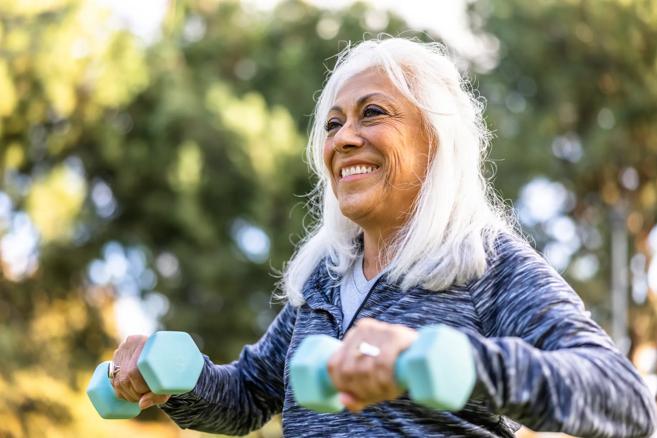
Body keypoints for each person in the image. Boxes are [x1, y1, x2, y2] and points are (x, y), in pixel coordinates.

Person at [110, 37, 657, 437]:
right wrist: (172, 379)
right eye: (332, 123)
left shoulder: (486, 263)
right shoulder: (326, 279)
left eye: (373, 113)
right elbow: (246, 398)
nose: (344, 138)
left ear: (436, 142)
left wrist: (450, 361)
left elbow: (625, 399)